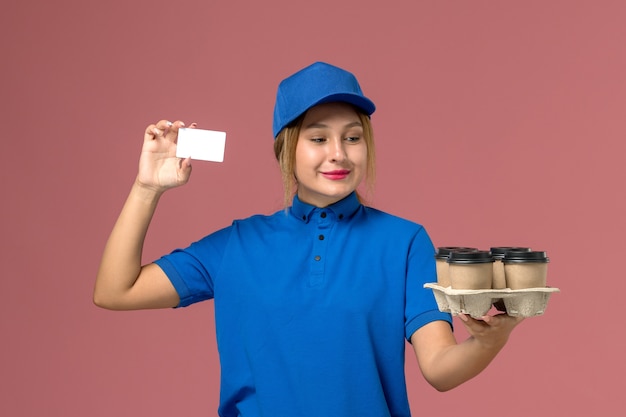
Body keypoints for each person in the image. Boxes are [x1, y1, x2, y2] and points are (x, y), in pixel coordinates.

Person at [94, 61, 523, 417]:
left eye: (352, 137)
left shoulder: (404, 242)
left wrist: (490, 339)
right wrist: (147, 188)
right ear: (286, 149)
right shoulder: (237, 245)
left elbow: (440, 370)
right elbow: (116, 290)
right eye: (318, 138)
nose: (338, 152)